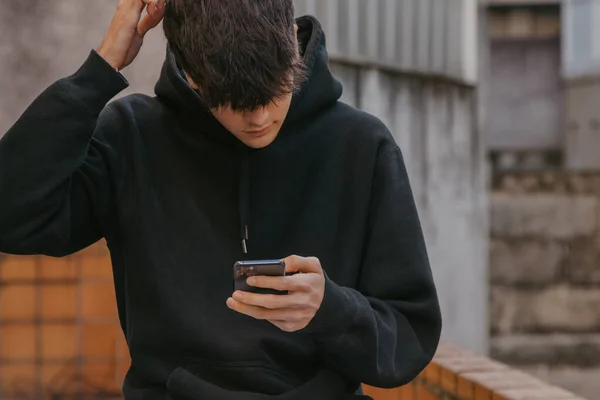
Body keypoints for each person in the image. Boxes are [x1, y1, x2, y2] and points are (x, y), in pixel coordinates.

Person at [0, 0, 442, 399]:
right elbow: (12, 217)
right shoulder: (132, 137)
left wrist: (330, 310)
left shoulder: (361, 145)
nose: (259, 116)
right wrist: (100, 70)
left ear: (291, 42)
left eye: (273, 89)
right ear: (191, 75)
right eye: (231, 100)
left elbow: (409, 336)